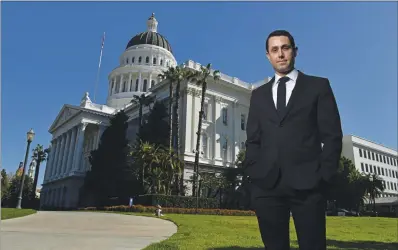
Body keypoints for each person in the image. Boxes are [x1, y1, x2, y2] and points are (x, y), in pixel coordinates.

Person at [244, 30, 343, 250]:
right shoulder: (258, 95)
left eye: (285, 48)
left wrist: (323, 176)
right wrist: (254, 172)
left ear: (295, 51)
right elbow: (253, 140)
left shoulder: (318, 87)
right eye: (275, 50)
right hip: (267, 186)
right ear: (268, 55)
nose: (280, 54)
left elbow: (333, 135)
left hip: (308, 186)